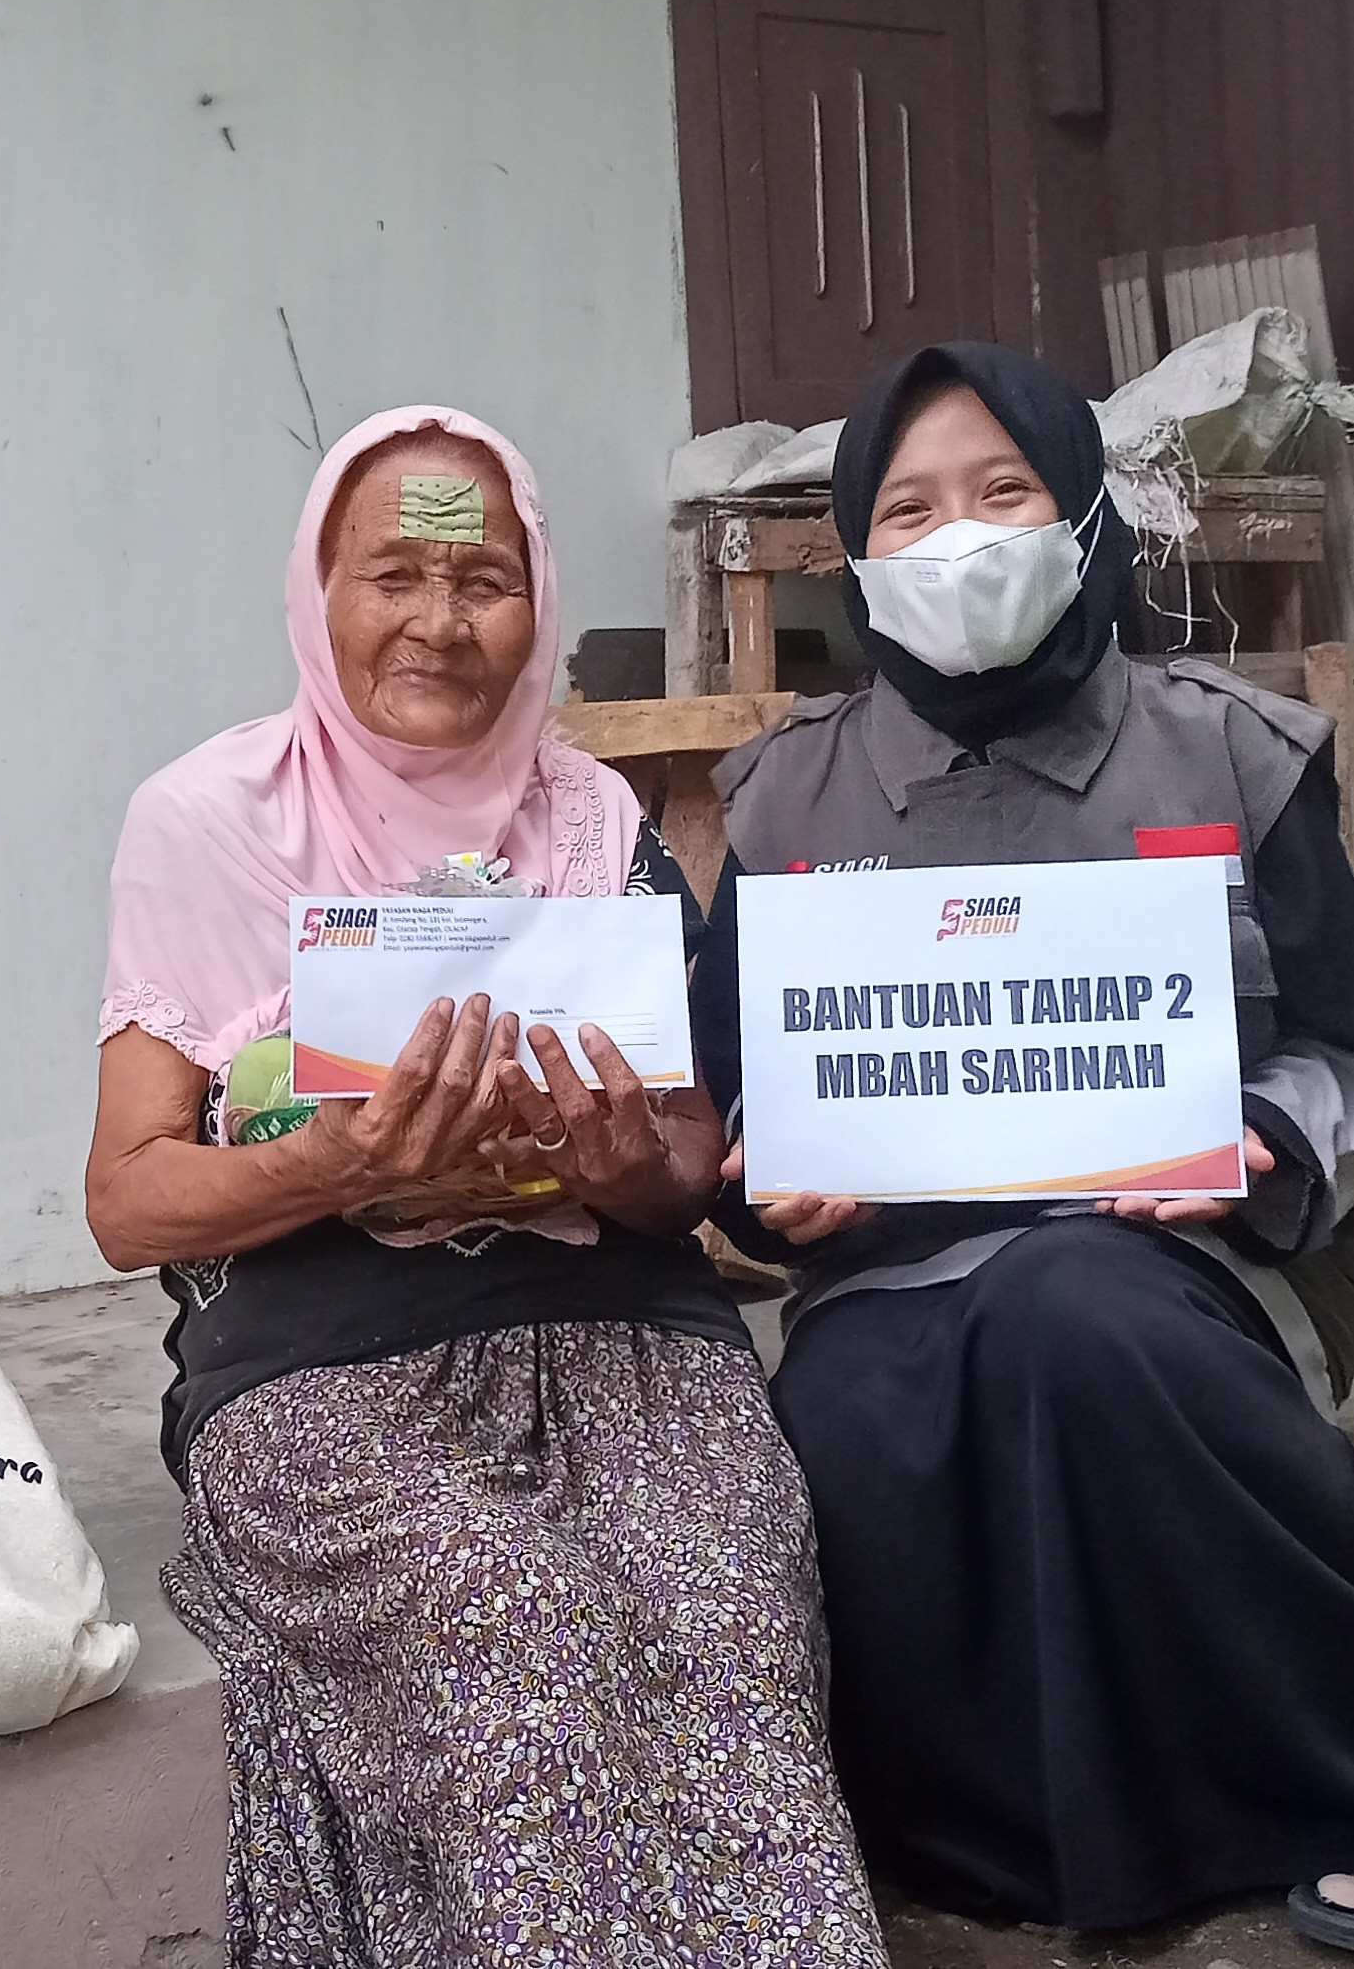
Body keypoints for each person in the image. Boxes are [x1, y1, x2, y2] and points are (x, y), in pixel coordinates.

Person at [86, 405, 886, 1966]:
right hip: (325, 1356)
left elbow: (679, 1168)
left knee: (715, 1604)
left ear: (535, 601)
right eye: (395, 574)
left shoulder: (595, 825)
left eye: (485, 580)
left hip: (620, 1329)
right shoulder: (206, 823)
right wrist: (341, 1159)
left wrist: (621, 1159)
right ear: (318, 587)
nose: (440, 624)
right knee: (498, 1607)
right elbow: (125, 1202)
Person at [689, 341, 1354, 1939]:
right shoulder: (783, 805)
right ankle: (983, 1850)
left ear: (1081, 518)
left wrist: (1268, 1126)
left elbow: (1342, 1037)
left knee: (1072, 1313)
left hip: (1177, 1269)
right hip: (884, 1285)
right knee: (838, 1421)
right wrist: (771, 1195)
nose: (958, 540)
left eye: (1004, 492)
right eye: (906, 508)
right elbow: (729, 1112)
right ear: (855, 552)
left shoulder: (1232, 753)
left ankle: (1319, 1773)